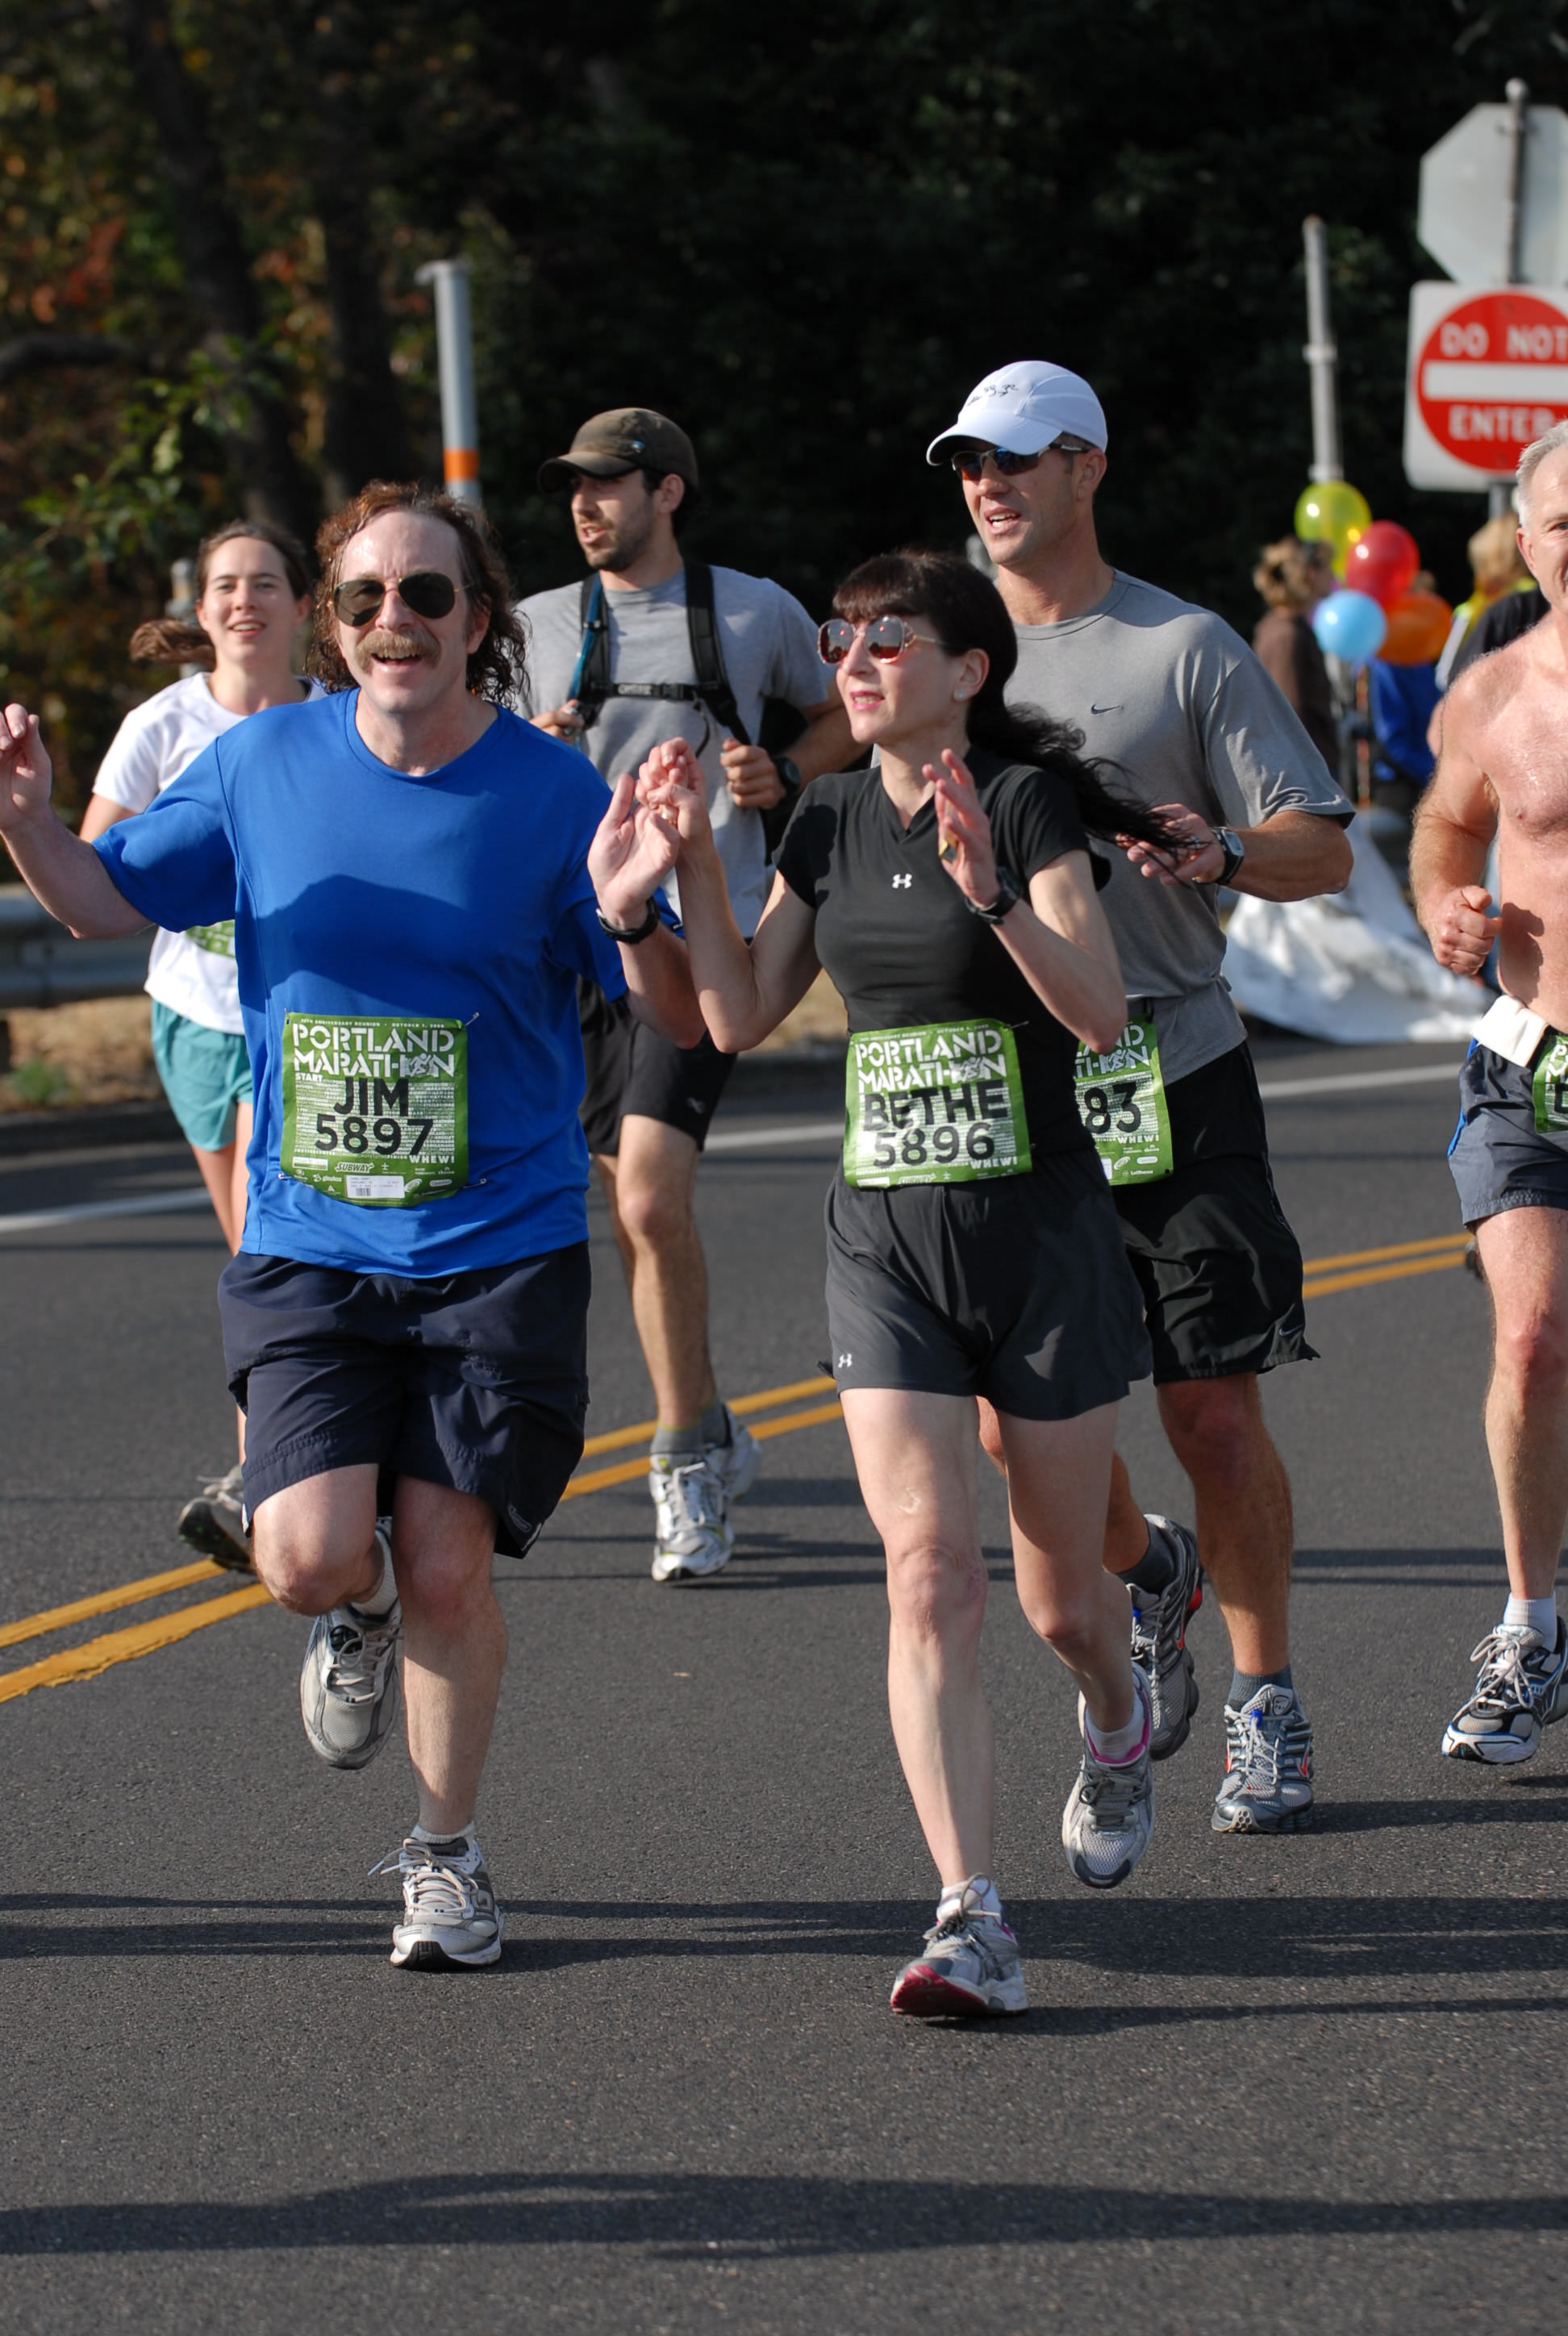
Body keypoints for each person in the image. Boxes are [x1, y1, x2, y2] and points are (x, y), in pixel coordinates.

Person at [0, 481, 702, 1970]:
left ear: (475, 628)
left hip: (496, 1240)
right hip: (311, 1239)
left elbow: (678, 1016)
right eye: (369, 597)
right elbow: (90, 901)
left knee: (453, 1563)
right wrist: (25, 824)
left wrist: (638, 912)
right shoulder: (261, 763)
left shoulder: (549, 793)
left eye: (430, 597)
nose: (399, 620)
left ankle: (444, 1857)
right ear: (334, 626)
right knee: (308, 1556)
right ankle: (355, 1612)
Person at [636, 548, 1179, 2017]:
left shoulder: (1019, 803)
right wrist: (686, 867)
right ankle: (967, 1912)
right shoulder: (816, 819)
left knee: (1060, 1602)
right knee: (929, 1569)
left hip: (1041, 1241)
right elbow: (736, 1014)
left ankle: (1117, 1709)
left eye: (890, 638)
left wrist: (992, 895)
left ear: (967, 672)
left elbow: (1096, 1012)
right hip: (885, 1242)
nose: (855, 659)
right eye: (840, 637)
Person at [929, 360, 1353, 1833]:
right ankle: (1149, 1570)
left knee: (1210, 1412)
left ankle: (1267, 1702)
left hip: (1171, 1058)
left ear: (1084, 468)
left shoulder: (1180, 646)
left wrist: (1226, 852)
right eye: (969, 465)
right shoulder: (944, 655)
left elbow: (1322, 845)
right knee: (1007, 1430)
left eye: (1016, 461)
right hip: (1014, 1086)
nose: (987, 486)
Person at [516, 408, 853, 1583]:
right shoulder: (529, 628)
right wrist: (529, 744)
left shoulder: (753, 610)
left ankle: (682, 1464)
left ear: (668, 491)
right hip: (568, 946)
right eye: (573, 487)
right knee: (615, 1199)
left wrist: (789, 766)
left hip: (703, 932)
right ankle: (708, 1418)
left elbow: (849, 709)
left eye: (606, 485)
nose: (584, 505)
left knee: (652, 1201)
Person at [79, 521, 319, 1572]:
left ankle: (262, 1472)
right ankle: (287, 1454)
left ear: (304, 605)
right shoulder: (161, 725)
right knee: (253, 1249)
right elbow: (95, 865)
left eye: (265, 582)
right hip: (195, 1015)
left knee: (268, 1243)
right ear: (202, 606)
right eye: (225, 585)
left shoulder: (338, 722)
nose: (243, 601)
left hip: (302, 1018)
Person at [1413, 419, 1568, 1765]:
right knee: (1527, 1343)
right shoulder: (1491, 692)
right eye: (1565, 520)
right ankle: (1529, 1624)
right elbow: (1439, 833)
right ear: (1523, 541)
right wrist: (1441, 916)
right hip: (1527, 1061)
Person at [1251, 536, 1339, 777]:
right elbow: (1290, 716)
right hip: (1305, 776)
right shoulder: (1287, 636)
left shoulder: (1287, 628)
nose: (1333, 576)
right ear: (1310, 574)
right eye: (1328, 568)